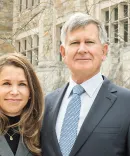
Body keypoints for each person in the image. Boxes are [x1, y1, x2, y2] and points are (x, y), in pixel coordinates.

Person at [41, 12, 130, 156]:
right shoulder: (46, 104)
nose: (82, 49)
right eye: (75, 43)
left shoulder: (127, 103)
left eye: (89, 42)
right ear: (63, 53)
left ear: (104, 51)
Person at [0, 53, 44, 156]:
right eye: (6, 83)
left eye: (22, 84)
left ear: (31, 92)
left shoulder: (44, 130)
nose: (14, 92)